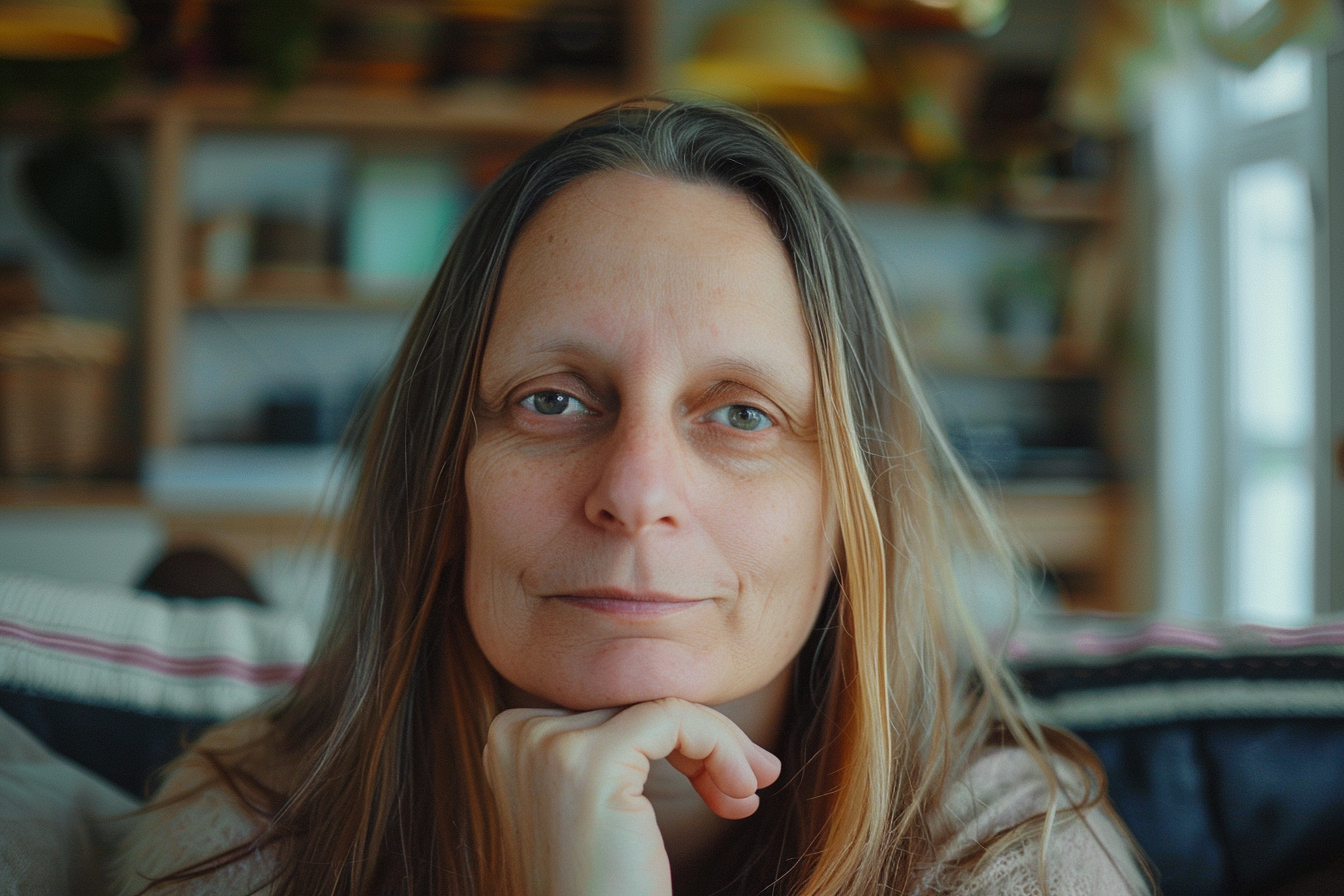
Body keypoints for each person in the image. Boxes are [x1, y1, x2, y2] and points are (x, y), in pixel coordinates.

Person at [113, 98, 1150, 896]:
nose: (637, 489)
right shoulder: (246, 837)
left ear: (851, 512)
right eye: (553, 399)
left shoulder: (1017, 856)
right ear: (442, 480)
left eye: (742, 414)